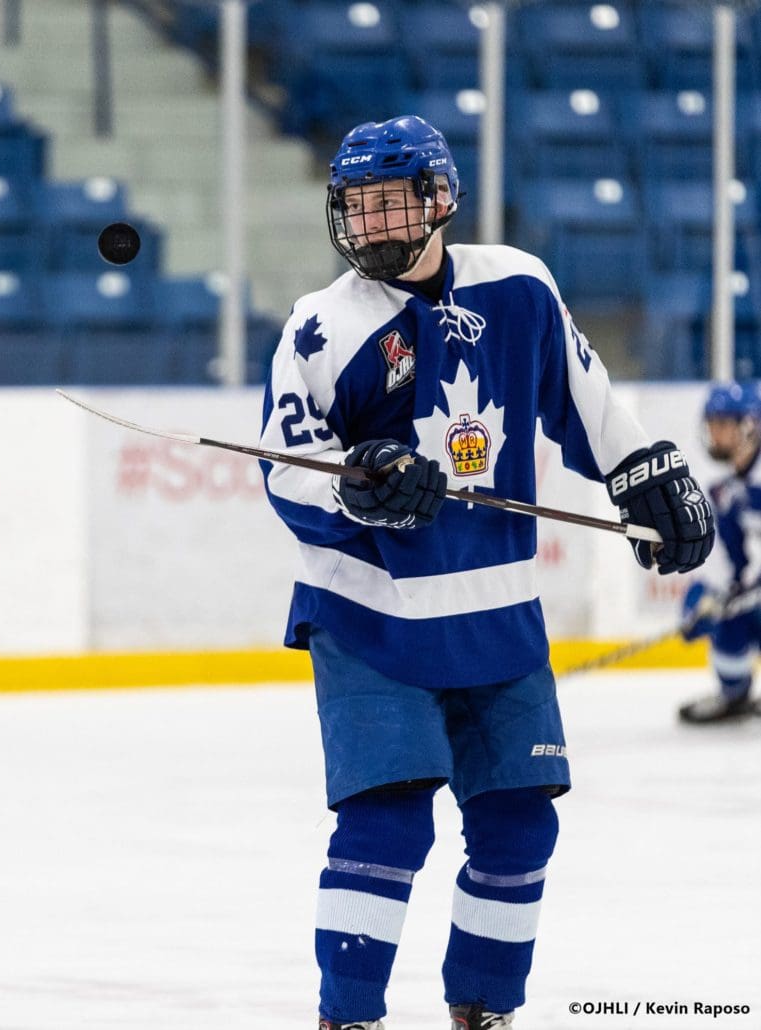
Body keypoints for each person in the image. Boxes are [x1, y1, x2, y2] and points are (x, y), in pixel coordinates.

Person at [259, 115, 714, 1030]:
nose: (370, 222)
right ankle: (346, 1017)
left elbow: (586, 402)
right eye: (356, 204)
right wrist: (361, 488)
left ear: (439, 201)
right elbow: (284, 464)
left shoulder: (519, 286)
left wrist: (642, 472)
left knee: (518, 829)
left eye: (391, 201)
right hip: (370, 618)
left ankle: (485, 1010)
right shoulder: (320, 325)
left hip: (497, 614)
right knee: (386, 826)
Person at [677, 381, 761, 724]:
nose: (715, 433)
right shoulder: (726, 490)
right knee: (725, 617)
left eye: (724, 424)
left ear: (749, 425)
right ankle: (735, 695)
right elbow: (731, 561)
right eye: (712, 424)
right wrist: (708, 597)